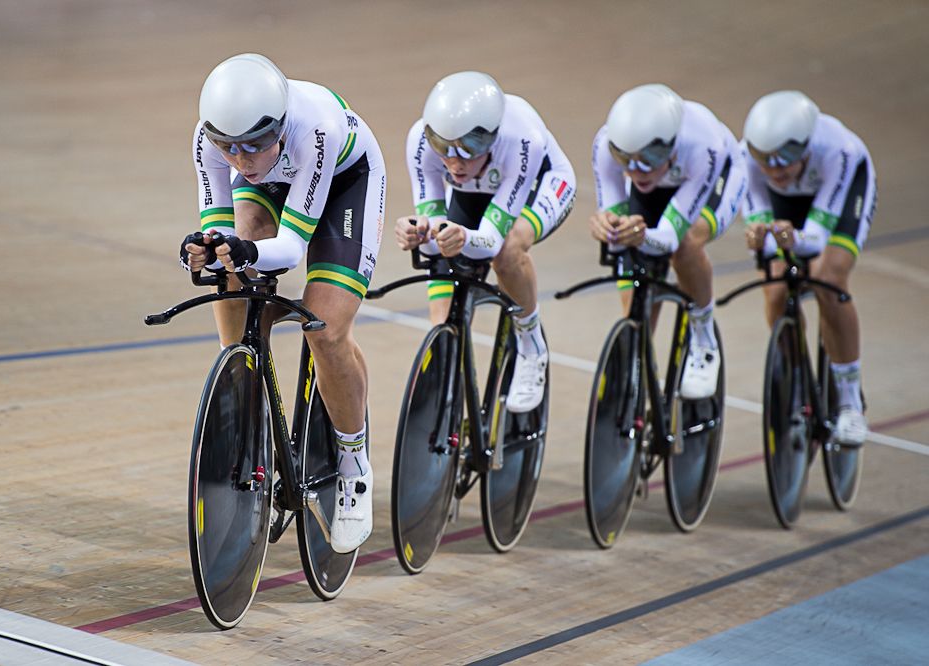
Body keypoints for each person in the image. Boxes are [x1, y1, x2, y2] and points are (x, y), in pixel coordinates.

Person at [180, 53, 386, 552]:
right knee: (234, 267)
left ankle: (354, 460)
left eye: (253, 143)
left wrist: (248, 250)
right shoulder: (212, 140)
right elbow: (221, 227)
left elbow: (292, 247)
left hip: (343, 185)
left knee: (324, 327)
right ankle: (244, 388)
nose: (240, 158)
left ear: (280, 124)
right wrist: (203, 250)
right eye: (228, 147)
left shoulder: (315, 128)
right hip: (272, 188)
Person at [394, 71, 576, 413]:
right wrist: (419, 231)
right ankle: (450, 406)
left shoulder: (524, 140)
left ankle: (531, 342)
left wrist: (461, 236)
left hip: (537, 186)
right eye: (444, 148)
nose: (454, 161)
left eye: (469, 149)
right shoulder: (420, 140)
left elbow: (490, 242)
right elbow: (434, 230)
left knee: (508, 252)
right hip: (472, 195)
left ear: (491, 138)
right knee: (443, 314)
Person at [589, 84, 747, 400]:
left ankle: (703, 338)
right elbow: (617, 225)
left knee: (686, 246)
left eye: (651, 157)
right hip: (660, 189)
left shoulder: (705, 147)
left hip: (713, 179)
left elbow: (671, 237)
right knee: (635, 265)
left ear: (672, 146)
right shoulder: (606, 146)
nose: (637, 170)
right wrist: (610, 228)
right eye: (627, 159)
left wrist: (644, 235)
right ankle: (637, 350)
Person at [741, 90, 875, 446]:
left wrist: (791, 239)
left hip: (841, 198)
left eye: (785, 157)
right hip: (787, 207)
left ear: (807, 146)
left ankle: (849, 404)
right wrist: (762, 236)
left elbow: (815, 240)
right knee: (775, 288)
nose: (774, 168)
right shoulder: (747, 157)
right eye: (764, 160)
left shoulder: (838, 151)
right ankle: (795, 377)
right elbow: (763, 232)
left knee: (827, 278)